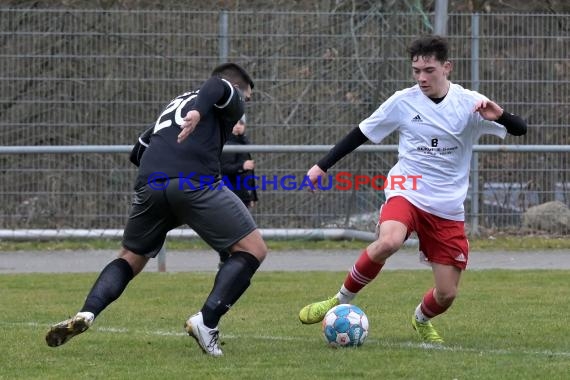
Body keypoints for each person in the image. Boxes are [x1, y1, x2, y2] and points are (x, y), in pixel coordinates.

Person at [298, 35, 527, 344]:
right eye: (416, 70)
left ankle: (421, 318)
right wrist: (321, 165)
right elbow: (360, 133)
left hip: (446, 207)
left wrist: (500, 115)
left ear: (447, 68)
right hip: (406, 189)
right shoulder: (402, 101)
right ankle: (340, 300)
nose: (421, 77)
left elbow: (521, 129)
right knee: (389, 240)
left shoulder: (469, 103)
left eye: (429, 70)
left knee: (446, 293)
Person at [45, 63, 267, 357]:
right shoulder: (224, 93)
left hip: (151, 184)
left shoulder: (176, 103)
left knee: (129, 258)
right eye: (247, 99)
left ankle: (87, 312)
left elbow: (138, 148)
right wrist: (200, 113)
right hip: (194, 181)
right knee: (254, 249)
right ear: (238, 89)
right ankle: (207, 322)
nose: (244, 107)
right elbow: (216, 85)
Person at [217, 114, 259, 267]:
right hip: (231, 193)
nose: (238, 126)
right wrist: (242, 167)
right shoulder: (227, 144)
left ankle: (237, 262)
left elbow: (250, 173)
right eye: (235, 123)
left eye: (241, 123)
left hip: (243, 194)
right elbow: (224, 169)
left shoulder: (244, 143)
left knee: (243, 232)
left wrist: (252, 195)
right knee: (229, 230)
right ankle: (224, 259)